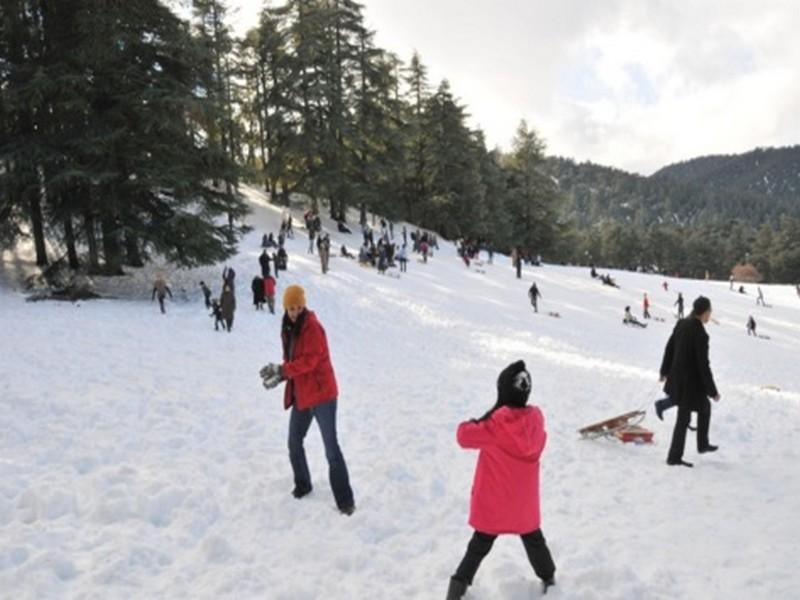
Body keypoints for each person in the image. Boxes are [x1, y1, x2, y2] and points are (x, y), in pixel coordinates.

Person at [447, 361, 556, 599]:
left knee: (479, 545)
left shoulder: (494, 428)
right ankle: (549, 579)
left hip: (495, 506)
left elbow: (462, 435)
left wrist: (486, 417)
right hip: (523, 506)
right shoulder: (536, 426)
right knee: (534, 541)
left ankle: (457, 587)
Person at [260, 286, 356, 515]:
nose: (295, 312)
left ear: (304, 306)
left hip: (323, 395)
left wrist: (283, 371)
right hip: (304, 393)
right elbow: (294, 361)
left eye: (298, 307)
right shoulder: (287, 327)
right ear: (285, 307)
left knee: (331, 449)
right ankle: (303, 484)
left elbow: (310, 362)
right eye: (291, 308)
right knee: (294, 441)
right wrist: (282, 376)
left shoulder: (312, 327)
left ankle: (346, 502)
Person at [658, 296, 720, 467]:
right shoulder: (700, 333)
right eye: (709, 312)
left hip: (678, 378)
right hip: (690, 383)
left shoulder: (681, 323)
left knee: (704, 408)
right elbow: (703, 365)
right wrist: (713, 391)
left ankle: (702, 444)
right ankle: (674, 457)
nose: (710, 315)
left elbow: (669, 348)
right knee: (685, 418)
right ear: (705, 312)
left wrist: (664, 371)